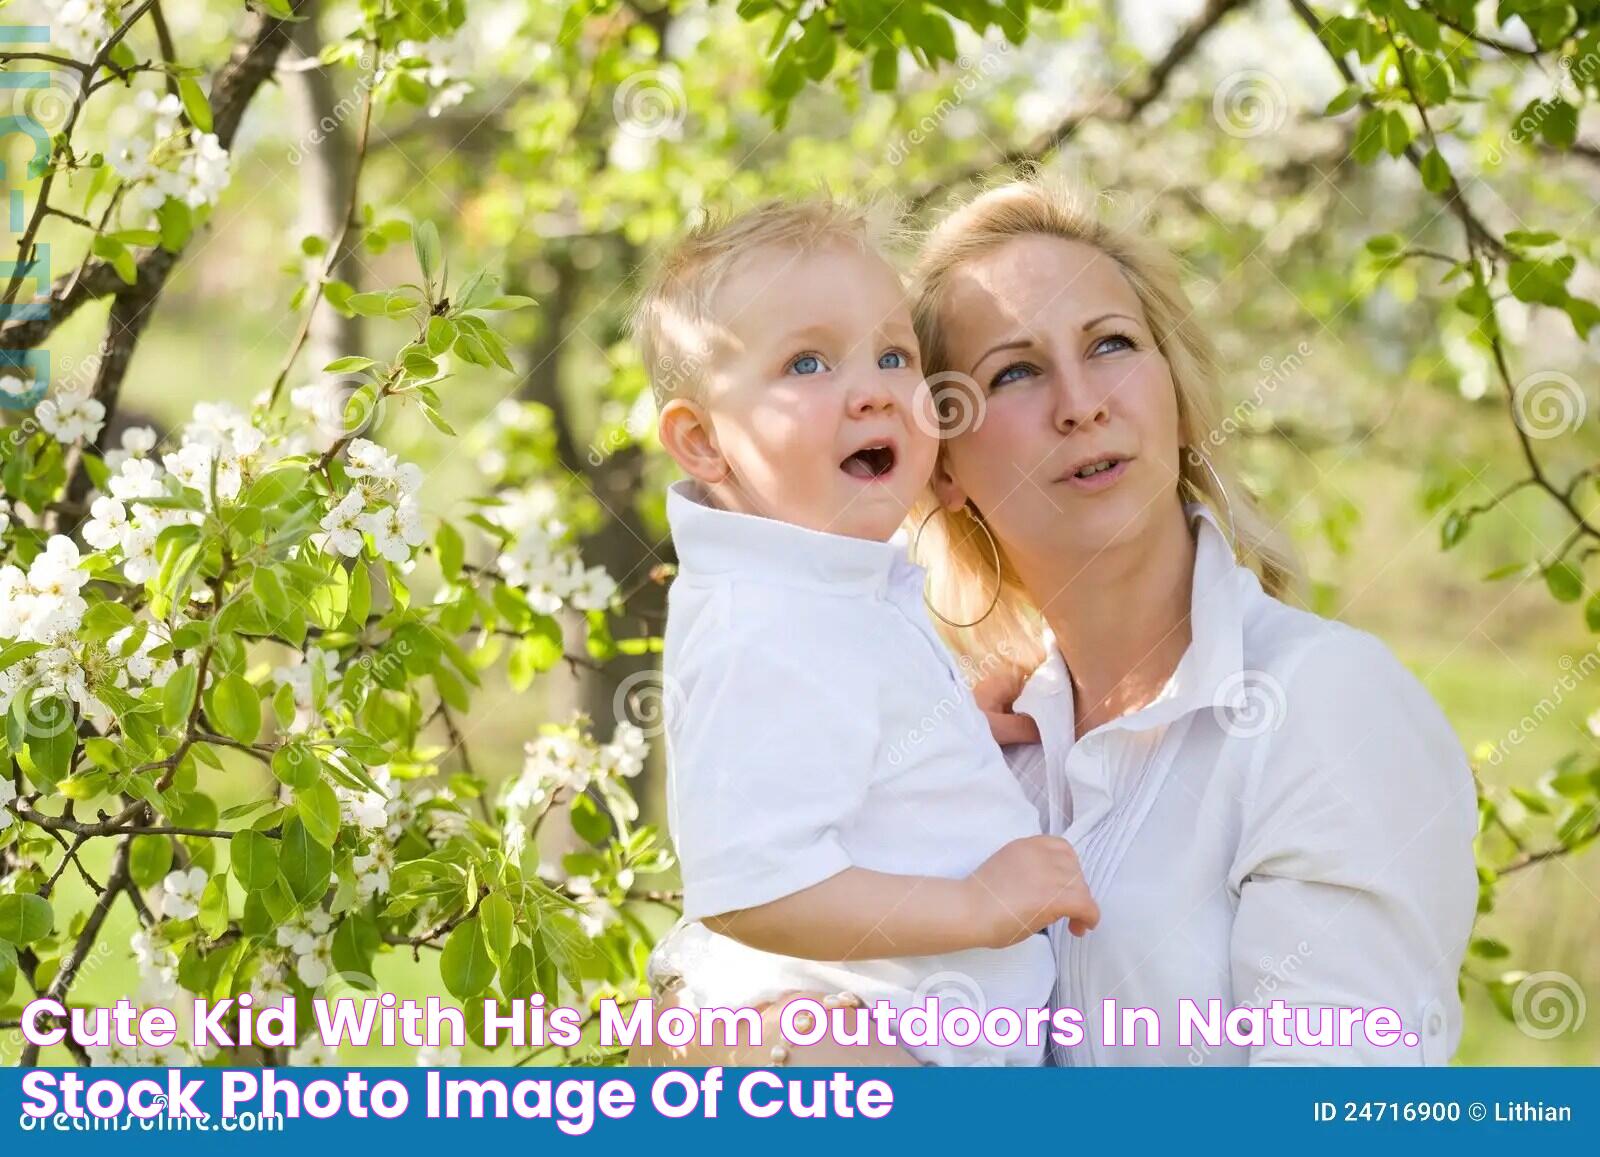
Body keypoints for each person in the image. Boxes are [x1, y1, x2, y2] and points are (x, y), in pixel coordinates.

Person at [907, 177, 1479, 1065]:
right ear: (943, 468)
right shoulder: (980, 754)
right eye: (1015, 371)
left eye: (1111, 344)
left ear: (1176, 397)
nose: (1081, 403)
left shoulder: (1324, 704)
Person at [625, 198, 1099, 1067]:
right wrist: (978, 908)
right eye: (807, 362)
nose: (875, 387)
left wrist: (944, 720)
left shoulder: (823, 587)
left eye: (893, 354)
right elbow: (752, 889)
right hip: (847, 1046)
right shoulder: (757, 625)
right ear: (702, 442)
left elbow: (833, 751)